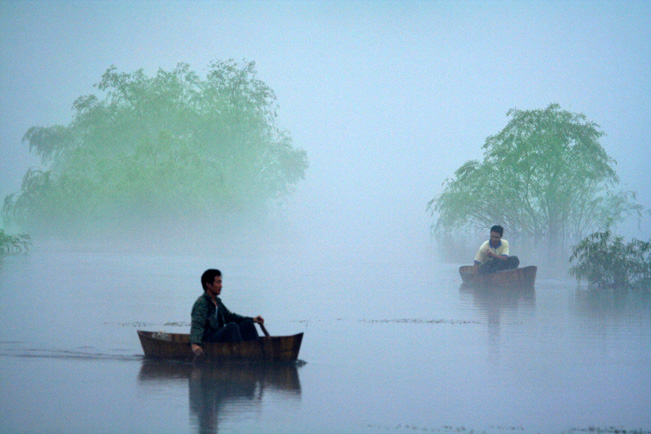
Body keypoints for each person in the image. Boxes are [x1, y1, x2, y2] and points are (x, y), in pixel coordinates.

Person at [190, 269, 264, 357]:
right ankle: (239, 356)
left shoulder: (217, 302)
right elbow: (197, 324)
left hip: (218, 337)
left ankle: (256, 353)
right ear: (208, 285)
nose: (221, 286)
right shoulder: (202, 303)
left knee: (248, 324)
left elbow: (230, 317)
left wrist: (253, 319)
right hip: (208, 342)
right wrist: (195, 344)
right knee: (232, 327)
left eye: (221, 283)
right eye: (218, 283)